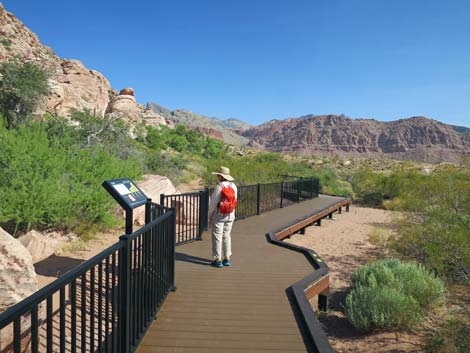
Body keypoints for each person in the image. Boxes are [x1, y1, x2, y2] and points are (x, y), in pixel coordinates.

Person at [208, 166, 238, 268]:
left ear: (221, 176)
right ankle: (227, 258)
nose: (217, 176)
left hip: (219, 215)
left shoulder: (219, 186)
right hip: (230, 214)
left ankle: (217, 259)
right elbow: (235, 200)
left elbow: (213, 202)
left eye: (218, 175)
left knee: (217, 236)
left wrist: (210, 214)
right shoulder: (233, 186)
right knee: (227, 236)